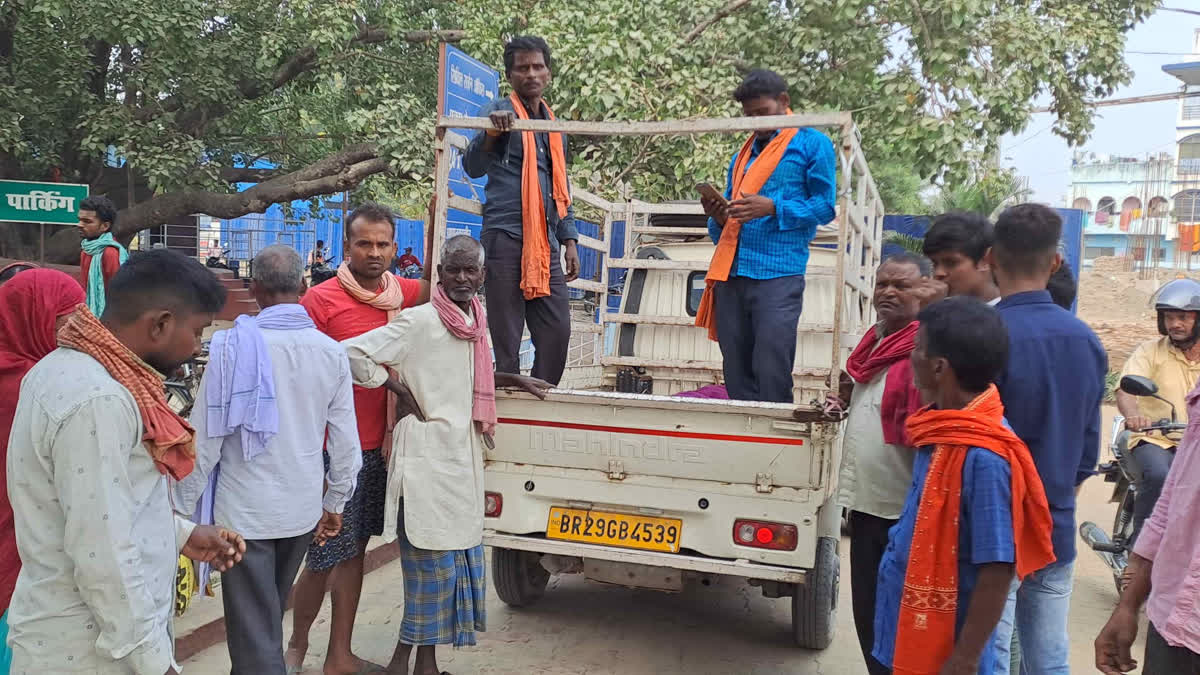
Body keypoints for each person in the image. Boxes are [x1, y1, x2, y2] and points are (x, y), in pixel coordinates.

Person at [5, 249, 245, 673]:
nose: (197, 346)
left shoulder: (62, 368)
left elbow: (98, 509)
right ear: (161, 324)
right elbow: (102, 552)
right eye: (197, 331)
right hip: (87, 653)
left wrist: (182, 535)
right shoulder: (98, 400)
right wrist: (155, 663)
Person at [343, 235, 551, 675]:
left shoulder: (475, 320)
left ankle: (423, 666)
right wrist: (395, 387)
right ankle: (408, 665)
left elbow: (460, 377)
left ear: (482, 275)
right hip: (425, 460)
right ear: (438, 274)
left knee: (452, 569)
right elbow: (353, 353)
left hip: (462, 460)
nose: (461, 278)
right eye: (452, 270)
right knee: (429, 570)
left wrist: (509, 380)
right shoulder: (418, 321)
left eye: (469, 270)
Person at [174, 245, 363, 675]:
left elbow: (205, 439)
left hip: (244, 516)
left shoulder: (229, 346)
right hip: (299, 513)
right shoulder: (330, 351)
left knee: (255, 632)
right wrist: (335, 504)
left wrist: (179, 516)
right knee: (263, 624)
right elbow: (345, 445)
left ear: (253, 288)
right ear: (303, 285)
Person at [873, 296, 1055, 675]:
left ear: (939, 367)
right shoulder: (940, 430)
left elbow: (998, 568)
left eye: (917, 349)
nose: (910, 357)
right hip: (908, 621)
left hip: (950, 645)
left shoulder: (984, 457)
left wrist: (965, 658)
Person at [288, 202, 431, 675]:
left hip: (376, 448)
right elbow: (301, 375)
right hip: (330, 451)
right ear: (346, 246)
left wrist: (438, 224)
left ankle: (338, 656)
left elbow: (448, 285)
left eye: (383, 244)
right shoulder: (320, 301)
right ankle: (296, 645)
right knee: (324, 555)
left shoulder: (402, 294)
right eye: (364, 243)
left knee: (355, 554)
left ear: (394, 247)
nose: (374, 253)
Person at [985, 203, 1107, 674]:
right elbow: (1086, 449)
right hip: (1054, 520)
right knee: (1048, 654)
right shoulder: (1085, 340)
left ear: (992, 257)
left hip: (995, 525)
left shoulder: (986, 334)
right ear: (1054, 262)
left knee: (990, 648)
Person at [695, 68, 837, 403]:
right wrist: (718, 215)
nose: (756, 121)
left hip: (779, 271)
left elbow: (824, 206)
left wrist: (774, 207)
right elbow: (731, 219)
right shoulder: (741, 156)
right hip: (732, 271)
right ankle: (744, 440)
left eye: (763, 112)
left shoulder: (813, 143)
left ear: (784, 102)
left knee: (772, 361)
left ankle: (774, 443)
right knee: (735, 365)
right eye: (749, 116)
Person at [826, 252, 935, 675]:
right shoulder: (873, 340)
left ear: (925, 290)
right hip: (867, 503)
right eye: (883, 283)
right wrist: (841, 400)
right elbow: (862, 395)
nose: (888, 292)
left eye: (902, 285)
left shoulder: (927, 348)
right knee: (868, 612)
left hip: (906, 508)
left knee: (903, 619)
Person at [463, 35, 580, 385]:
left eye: (538, 66)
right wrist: (492, 134)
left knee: (558, 331)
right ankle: (507, 409)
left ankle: (538, 397)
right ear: (510, 74)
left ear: (548, 72)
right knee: (507, 336)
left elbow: (560, 187)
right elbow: (471, 165)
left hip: (545, 243)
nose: (531, 74)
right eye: (522, 68)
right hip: (505, 236)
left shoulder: (553, 126)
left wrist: (570, 239)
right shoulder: (498, 111)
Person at [0, 270, 84, 673]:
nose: (75, 330)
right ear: (32, 316)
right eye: (65, 319)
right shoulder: (35, 384)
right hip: (20, 527)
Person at [1095, 377, 1200, 674]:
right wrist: (1128, 605)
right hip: (1173, 622)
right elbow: (1172, 506)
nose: (1178, 325)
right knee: (1156, 477)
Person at [1115, 278, 1200, 546]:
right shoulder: (1150, 351)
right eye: (1168, 317)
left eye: (1183, 317)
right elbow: (1126, 389)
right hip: (1155, 439)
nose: (1174, 324)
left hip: (1194, 443)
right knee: (1160, 476)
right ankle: (1141, 553)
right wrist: (1133, 417)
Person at [922, 211, 1000, 305]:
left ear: (985, 260)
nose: (938, 273)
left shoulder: (1010, 316)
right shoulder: (937, 308)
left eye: (951, 263)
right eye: (934, 264)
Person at [76, 195, 127, 317]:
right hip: (87, 316)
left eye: (87, 221)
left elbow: (119, 294)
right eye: (79, 219)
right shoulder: (87, 250)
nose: (79, 224)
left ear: (105, 226)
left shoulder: (111, 253)